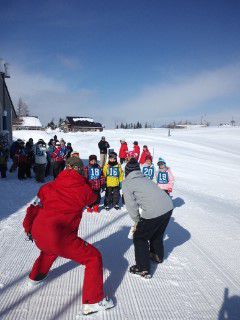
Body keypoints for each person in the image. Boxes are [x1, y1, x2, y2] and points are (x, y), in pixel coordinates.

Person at [23, 157, 114, 315]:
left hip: (38, 232)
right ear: (79, 170)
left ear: (66, 168)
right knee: (93, 258)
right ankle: (93, 302)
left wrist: (28, 228)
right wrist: (86, 183)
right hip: (60, 237)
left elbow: (33, 207)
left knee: (49, 250)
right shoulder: (83, 190)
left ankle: (35, 277)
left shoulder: (48, 186)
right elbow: (94, 199)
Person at [122, 158, 174, 278]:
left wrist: (137, 221)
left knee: (140, 237)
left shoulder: (127, 183)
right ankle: (157, 255)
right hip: (168, 206)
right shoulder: (145, 177)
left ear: (127, 172)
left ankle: (142, 268)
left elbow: (130, 205)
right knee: (157, 234)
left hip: (154, 210)